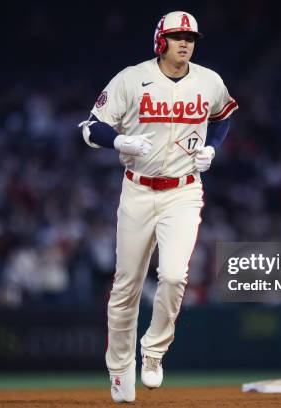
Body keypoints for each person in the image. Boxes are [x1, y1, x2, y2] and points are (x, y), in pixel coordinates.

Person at [79, 11, 238, 403]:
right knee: (126, 286)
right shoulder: (132, 78)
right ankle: (119, 371)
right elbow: (90, 126)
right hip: (137, 191)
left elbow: (224, 116)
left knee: (172, 276)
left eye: (190, 37)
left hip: (184, 192)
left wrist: (213, 148)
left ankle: (153, 352)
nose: (185, 42)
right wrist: (117, 142)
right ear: (160, 40)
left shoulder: (209, 80)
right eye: (177, 36)